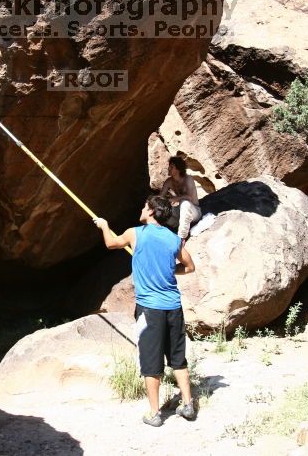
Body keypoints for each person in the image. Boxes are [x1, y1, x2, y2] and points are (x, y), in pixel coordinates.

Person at [93, 195, 197, 427]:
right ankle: (188, 404)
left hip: (150, 310)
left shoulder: (135, 233)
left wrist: (104, 225)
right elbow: (189, 267)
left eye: (144, 206)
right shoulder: (173, 240)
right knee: (178, 358)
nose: (141, 209)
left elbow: (111, 243)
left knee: (151, 361)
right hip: (173, 307)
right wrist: (170, 270)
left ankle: (154, 413)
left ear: (150, 212)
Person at [160, 156, 201, 244]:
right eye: (169, 166)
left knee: (185, 203)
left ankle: (181, 238)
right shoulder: (169, 181)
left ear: (178, 169)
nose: (169, 169)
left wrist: (176, 198)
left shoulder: (188, 179)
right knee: (162, 210)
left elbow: (190, 197)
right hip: (180, 214)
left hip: (194, 212)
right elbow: (161, 198)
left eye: (172, 167)